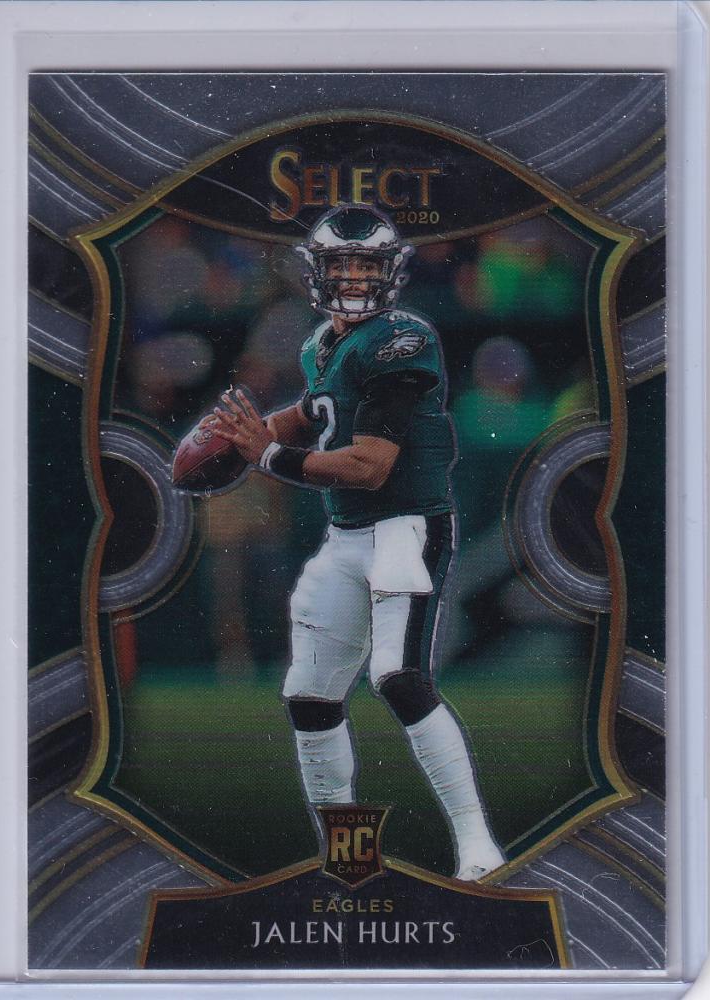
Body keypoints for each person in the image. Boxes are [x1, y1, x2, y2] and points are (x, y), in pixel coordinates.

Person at [210, 205, 504, 881]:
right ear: (317, 271)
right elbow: (315, 411)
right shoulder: (321, 344)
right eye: (339, 264)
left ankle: (476, 845)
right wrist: (248, 432)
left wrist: (264, 456)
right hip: (347, 536)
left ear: (388, 272)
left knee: (398, 678)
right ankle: (346, 852)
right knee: (309, 693)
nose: (351, 277)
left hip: (405, 527)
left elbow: (370, 465)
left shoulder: (402, 340)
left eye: (364, 265)